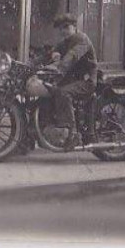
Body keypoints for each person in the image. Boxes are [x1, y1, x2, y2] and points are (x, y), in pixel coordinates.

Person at [48, 13, 98, 148]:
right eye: (60, 28)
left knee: (63, 92)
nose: (63, 31)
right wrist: (32, 63)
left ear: (74, 26)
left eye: (66, 27)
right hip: (74, 79)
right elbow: (49, 53)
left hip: (87, 81)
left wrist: (60, 69)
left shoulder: (81, 39)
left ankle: (73, 133)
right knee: (49, 89)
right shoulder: (65, 41)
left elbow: (73, 56)